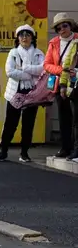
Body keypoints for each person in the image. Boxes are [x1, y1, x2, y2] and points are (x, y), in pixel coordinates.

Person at [0, 25, 45, 163]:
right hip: (15, 92)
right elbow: (10, 71)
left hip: (32, 93)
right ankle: (3, 151)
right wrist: (29, 74)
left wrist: (24, 68)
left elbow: (42, 69)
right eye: (22, 35)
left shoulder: (39, 53)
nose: (24, 37)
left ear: (32, 38)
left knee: (28, 124)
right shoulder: (13, 53)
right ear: (18, 38)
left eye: (28, 35)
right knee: (11, 123)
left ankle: (24, 153)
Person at [43, 12, 78, 159]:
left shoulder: (77, 40)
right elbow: (46, 65)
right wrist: (60, 70)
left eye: (65, 25)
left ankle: (76, 149)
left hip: (75, 82)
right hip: (60, 82)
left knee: (76, 116)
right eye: (58, 28)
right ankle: (65, 147)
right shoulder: (54, 43)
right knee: (64, 117)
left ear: (70, 26)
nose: (62, 29)